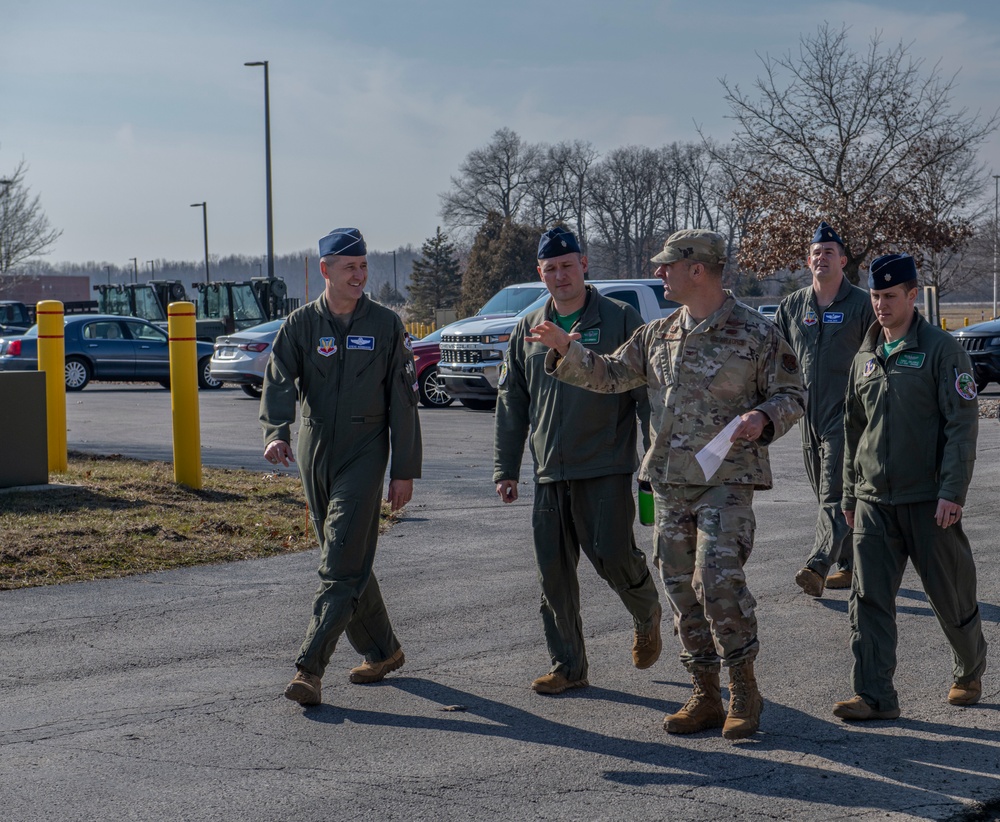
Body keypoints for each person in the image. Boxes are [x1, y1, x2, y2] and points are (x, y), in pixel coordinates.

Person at [527, 229, 805, 740]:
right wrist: (566, 347)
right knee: (679, 588)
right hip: (670, 483)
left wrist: (763, 416)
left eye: (666, 265)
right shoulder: (659, 334)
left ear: (696, 269)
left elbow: (792, 393)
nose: (659, 273)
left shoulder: (755, 333)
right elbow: (611, 375)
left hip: (726, 481)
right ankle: (704, 692)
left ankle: (744, 688)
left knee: (716, 579)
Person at [494, 226, 662, 696]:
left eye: (568, 265)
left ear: (584, 265)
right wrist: (505, 468)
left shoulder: (619, 318)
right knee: (554, 571)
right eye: (551, 269)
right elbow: (512, 402)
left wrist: (652, 454)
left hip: (605, 464)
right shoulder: (526, 329)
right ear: (540, 274)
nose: (560, 276)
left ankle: (646, 608)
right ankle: (568, 665)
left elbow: (644, 390)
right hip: (550, 468)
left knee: (611, 554)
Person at [260, 227, 422, 707]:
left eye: (364, 265)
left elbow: (404, 401)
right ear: (324, 270)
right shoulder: (300, 325)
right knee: (346, 557)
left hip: (366, 448)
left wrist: (403, 469)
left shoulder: (386, 325)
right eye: (349, 266)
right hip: (315, 448)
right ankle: (384, 649)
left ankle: (310, 668)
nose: (360, 274)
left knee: (338, 562)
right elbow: (278, 379)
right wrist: (276, 432)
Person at [833, 253, 987, 721]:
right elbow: (852, 429)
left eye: (890, 296)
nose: (880, 305)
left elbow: (962, 425)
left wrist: (951, 493)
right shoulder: (865, 354)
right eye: (876, 296)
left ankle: (968, 670)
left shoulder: (942, 350)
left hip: (928, 501)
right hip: (874, 501)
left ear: (912, 295)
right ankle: (875, 695)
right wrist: (848, 494)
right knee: (868, 598)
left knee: (950, 593)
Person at [774, 222, 875, 597]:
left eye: (829, 252)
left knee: (833, 491)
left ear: (843, 261)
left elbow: (880, 355)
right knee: (824, 492)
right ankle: (850, 564)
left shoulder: (862, 304)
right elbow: (776, 355)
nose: (821, 258)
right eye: (816, 253)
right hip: (807, 415)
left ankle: (818, 564)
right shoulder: (793, 306)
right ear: (808, 261)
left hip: (848, 415)